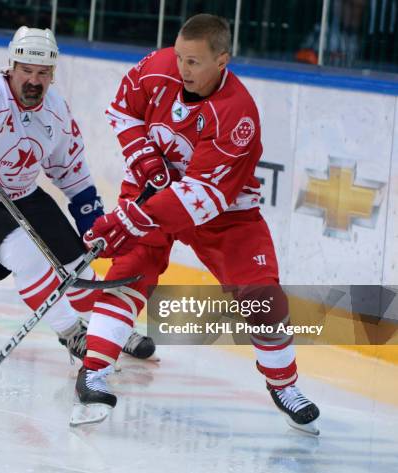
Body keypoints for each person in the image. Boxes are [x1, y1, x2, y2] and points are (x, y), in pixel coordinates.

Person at [71, 14, 321, 435]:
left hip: (224, 210)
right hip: (152, 188)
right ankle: (93, 371)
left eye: (194, 62)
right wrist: (148, 161)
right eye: (180, 56)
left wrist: (131, 218)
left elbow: (202, 197)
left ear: (222, 60)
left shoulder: (237, 114)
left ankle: (285, 386)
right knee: (128, 274)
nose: (182, 68)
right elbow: (122, 111)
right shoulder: (158, 66)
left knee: (262, 294)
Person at [0, 26, 155, 362]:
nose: (34, 80)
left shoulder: (55, 111)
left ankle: (107, 326)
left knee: (78, 263)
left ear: (52, 74)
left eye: (43, 73)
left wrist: (91, 218)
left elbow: (71, 171)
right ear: (11, 67)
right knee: (27, 256)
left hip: (19, 193)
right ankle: (74, 333)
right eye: (26, 71)